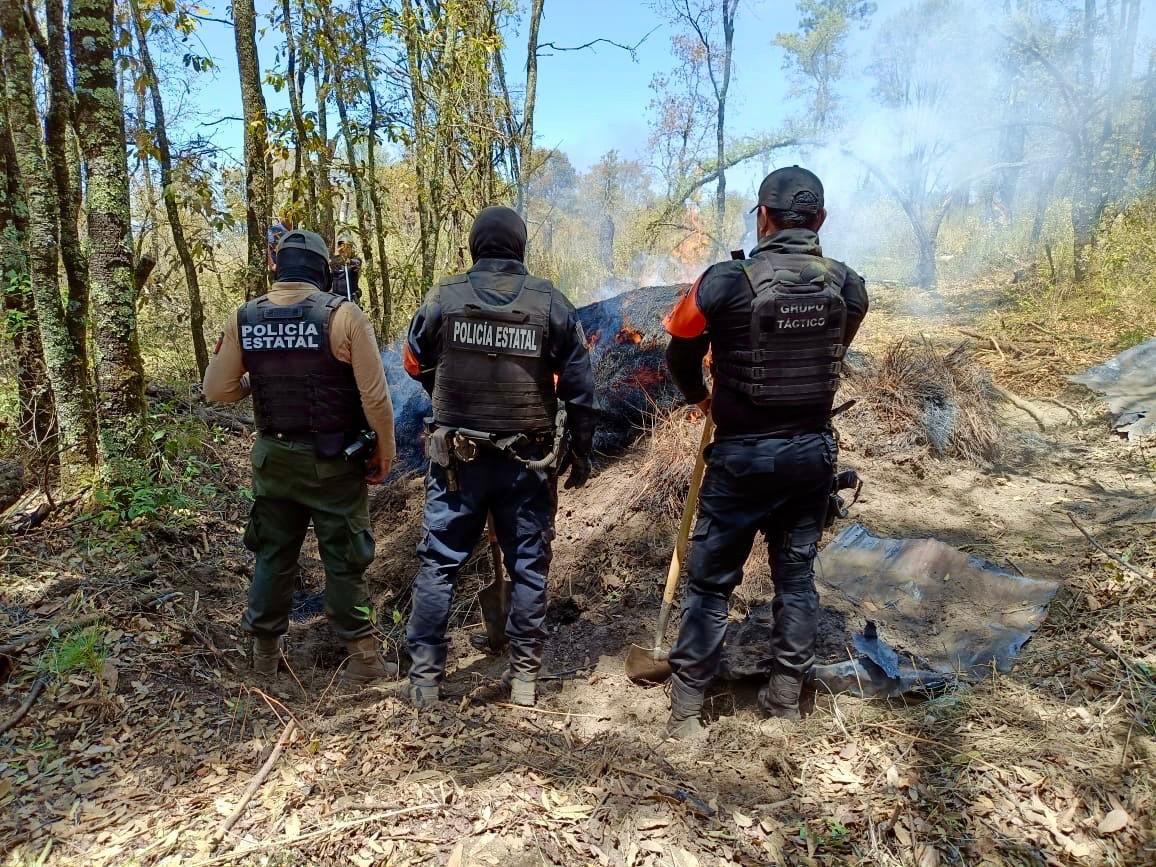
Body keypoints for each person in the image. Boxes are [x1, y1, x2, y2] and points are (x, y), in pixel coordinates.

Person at [661, 166, 869, 737]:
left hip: (740, 462)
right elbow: (835, 346)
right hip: (810, 460)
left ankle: (685, 715)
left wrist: (701, 397)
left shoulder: (725, 281)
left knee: (708, 585)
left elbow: (678, 350)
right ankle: (782, 704)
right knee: (796, 580)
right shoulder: (848, 285)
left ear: (764, 217)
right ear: (820, 220)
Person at [402, 206, 596, 708]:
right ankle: (526, 679)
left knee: (439, 565)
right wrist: (583, 448)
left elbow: (414, 359)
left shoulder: (443, 297)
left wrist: (440, 390)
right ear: (521, 248)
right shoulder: (549, 301)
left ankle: (425, 680)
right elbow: (579, 385)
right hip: (526, 463)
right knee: (528, 568)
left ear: (474, 248)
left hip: (457, 464)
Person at [203, 229, 398, 684]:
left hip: (274, 460)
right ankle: (365, 661)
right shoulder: (344, 315)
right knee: (345, 557)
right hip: (333, 461)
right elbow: (375, 397)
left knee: (273, 554)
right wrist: (385, 450)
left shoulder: (244, 316)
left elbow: (217, 390)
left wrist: (262, 379)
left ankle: (264, 660)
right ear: (322, 270)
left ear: (278, 267)